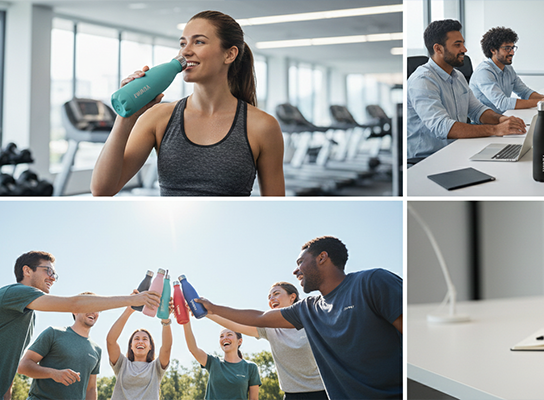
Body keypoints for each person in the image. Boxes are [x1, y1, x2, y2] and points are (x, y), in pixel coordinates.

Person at [92, 10, 284, 196]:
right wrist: (125, 118)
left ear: (229, 54)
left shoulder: (263, 126)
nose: (185, 51)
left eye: (199, 42)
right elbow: (102, 190)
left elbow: (277, 207)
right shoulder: (158, 117)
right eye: (183, 43)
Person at [195, 236, 402, 400]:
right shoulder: (308, 309)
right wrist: (212, 308)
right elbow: (258, 317)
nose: (296, 270)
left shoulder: (372, 282)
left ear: (322, 257)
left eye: (301, 262)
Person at [0, 251, 160, 400]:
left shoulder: (27, 315)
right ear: (27, 270)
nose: (52, 278)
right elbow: (75, 303)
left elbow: (9, 363)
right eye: (48, 271)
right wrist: (131, 300)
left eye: (54, 274)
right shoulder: (13, 293)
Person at [407, 19, 526, 160]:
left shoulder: (458, 76)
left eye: (463, 43)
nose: (464, 49)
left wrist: (501, 119)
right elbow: (442, 127)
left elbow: (477, 110)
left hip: (459, 149)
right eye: (458, 45)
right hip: (428, 159)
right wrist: (495, 129)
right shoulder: (423, 81)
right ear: (438, 49)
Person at [208, 282, 327, 400]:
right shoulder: (270, 328)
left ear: (292, 297)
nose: (271, 299)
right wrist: (207, 313)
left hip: (322, 391)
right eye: (269, 297)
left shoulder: (311, 320)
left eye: (276, 294)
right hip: (292, 394)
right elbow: (235, 325)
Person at [17, 292, 103, 400]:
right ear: (75, 310)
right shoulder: (53, 333)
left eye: (97, 307)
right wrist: (53, 373)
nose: (93, 311)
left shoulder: (97, 350)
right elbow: (23, 366)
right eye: (88, 305)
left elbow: (91, 389)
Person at [469, 26, 544, 114]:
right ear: (493, 50)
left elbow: (525, 92)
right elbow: (502, 103)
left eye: (512, 48)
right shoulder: (484, 72)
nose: (512, 52)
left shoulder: (508, 68)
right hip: (486, 122)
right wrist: (542, 101)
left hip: (504, 117)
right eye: (507, 48)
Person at [106, 290, 173, 400]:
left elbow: (166, 348)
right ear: (131, 346)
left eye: (145, 339)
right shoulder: (122, 364)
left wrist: (165, 319)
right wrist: (129, 309)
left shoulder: (156, 368)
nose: (140, 341)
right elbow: (111, 341)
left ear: (150, 346)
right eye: (136, 339)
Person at [182, 319, 261, 400]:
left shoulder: (250, 367)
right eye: (221, 336)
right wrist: (185, 320)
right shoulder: (213, 362)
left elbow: (254, 398)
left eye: (229, 334)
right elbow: (193, 349)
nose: (225, 338)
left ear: (239, 341)